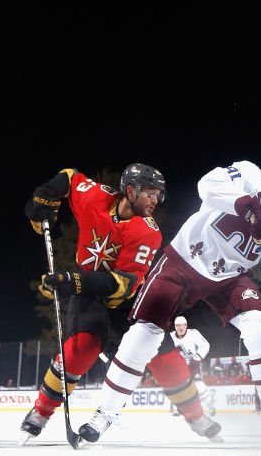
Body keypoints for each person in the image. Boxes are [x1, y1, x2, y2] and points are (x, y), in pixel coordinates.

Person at [80, 150, 261, 446]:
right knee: (143, 334)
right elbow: (207, 185)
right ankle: (104, 413)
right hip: (182, 262)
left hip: (231, 277)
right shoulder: (248, 175)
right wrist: (249, 206)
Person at [18, 163, 203, 441]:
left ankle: (198, 416)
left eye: (158, 195)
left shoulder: (147, 231)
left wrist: (74, 282)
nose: (156, 201)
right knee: (81, 348)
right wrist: (45, 197)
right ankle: (40, 412)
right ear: (130, 191)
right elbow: (69, 177)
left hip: (127, 300)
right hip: (90, 294)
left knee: (161, 355)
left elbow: (123, 287)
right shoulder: (95, 198)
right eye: (150, 194)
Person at [168, 316, 214, 416]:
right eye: (178, 325)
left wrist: (197, 358)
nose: (181, 328)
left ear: (186, 326)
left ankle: (210, 404)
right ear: (175, 327)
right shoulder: (170, 337)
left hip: (193, 363)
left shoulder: (193, 334)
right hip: (179, 366)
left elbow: (205, 345)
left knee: (199, 386)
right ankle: (183, 409)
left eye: (183, 325)